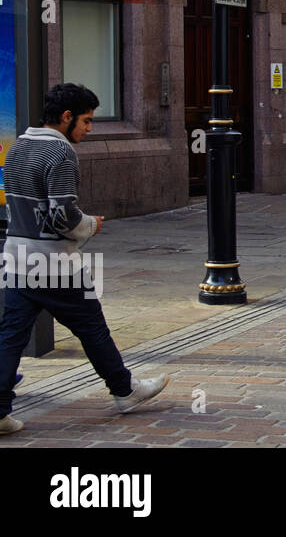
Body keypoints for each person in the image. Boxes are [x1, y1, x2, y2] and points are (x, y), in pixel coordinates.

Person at [0, 84, 169, 436]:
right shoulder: (60, 154)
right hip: (55, 263)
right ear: (66, 118)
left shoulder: (17, 147)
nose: (89, 130)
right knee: (93, 329)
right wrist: (91, 225)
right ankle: (125, 391)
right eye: (87, 121)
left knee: (10, 336)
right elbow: (63, 215)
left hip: (17, 259)